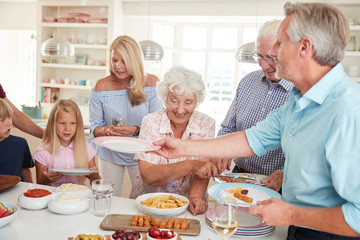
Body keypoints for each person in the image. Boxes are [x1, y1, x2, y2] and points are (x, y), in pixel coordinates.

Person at [152, 2, 360, 239]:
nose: (273, 54)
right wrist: (182, 147)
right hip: (299, 230)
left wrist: (292, 215)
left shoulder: (350, 112)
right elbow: (253, 138)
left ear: (304, 47)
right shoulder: (299, 100)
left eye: (280, 43)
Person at [129, 65, 216, 215]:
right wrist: (191, 165)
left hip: (188, 205)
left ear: (197, 101)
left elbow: (202, 170)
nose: (180, 109)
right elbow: (149, 175)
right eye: (174, 100)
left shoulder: (206, 124)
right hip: (149, 203)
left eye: (188, 102)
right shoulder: (151, 122)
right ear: (165, 98)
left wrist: (195, 197)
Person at [216, 20, 293, 189]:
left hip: (276, 185)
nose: (264, 65)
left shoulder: (299, 93)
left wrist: (286, 174)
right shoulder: (248, 82)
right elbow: (228, 128)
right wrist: (222, 150)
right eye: (260, 56)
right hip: (239, 176)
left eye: (271, 58)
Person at [89, 35, 163, 197]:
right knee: (107, 196)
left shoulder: (151, 83)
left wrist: (135, 130)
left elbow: (158, 126)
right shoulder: (102, 86)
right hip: (110, 153)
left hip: (143, 152)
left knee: (142, 199)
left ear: (134, 61)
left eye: (124, 61)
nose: (118, 66)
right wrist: (108, 130)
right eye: (114, 60)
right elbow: (95, 127)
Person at [34, 99, 100, 187]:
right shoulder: (42, 152)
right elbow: (39, 185)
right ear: (53, 124)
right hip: (54, 197)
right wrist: (45, 180)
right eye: (62, 123)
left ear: (78, 125)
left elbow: (96, 184)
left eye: (72, 123)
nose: (67, 128)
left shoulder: (86, 149)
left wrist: (95, 177)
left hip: (79, 197)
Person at [0, 98, 34, 182]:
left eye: (10, 118)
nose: (10, 123)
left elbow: (25, 170)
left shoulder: (20, 144)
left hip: (17, 193)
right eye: (2, 120)